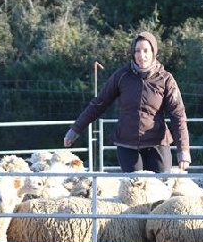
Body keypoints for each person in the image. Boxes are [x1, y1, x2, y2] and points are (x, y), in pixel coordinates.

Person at [63, 31, 191, 173]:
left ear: (153, 52)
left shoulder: (166, 79)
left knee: (161, 189)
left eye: (145, 51)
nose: (141, 56)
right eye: (137, 51)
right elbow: (99, 103)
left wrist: (183, 150)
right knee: (133, 189)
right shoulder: (122, 76)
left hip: (157, 144)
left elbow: (178, 115)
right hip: (127, 145)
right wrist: (75, 130)